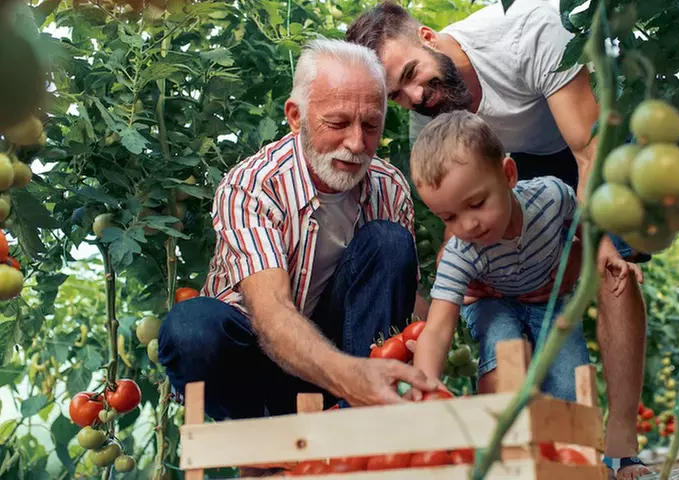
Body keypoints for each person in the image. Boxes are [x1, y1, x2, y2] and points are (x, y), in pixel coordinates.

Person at [346, 3, 650, 479]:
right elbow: (454, 218)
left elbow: (588, 155)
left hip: (586, 136)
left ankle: (622, 442)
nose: (415, 96)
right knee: (492, 283)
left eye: (411, 74)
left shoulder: (528, 33)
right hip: (505, 165)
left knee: (614, 270)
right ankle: (528, 454)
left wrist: (601, 245)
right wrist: (434, 319)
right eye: (397, 96)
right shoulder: (430, 116)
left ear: (427, 36)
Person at [157, 39, 439, 427]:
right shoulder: (253, 185)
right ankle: (259, 439)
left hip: (346, 365)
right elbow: (272, 315)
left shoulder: (388, 187)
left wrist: (435, 338)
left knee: (389, 242)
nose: (357, 143)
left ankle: (361, 422)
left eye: (371, 125)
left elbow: (398, 303)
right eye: (338, 124)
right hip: (258, 365)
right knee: (190, 329)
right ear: (295, 116)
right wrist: (352, 375)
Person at [406, 110, 631, 404]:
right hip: (492, 304)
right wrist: (424, 384)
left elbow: (583, 221)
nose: (468, 225)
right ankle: (500, 426)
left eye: (477, 203)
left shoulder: (550, 197)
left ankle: (573, 432)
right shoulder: (460, 253)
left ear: (508, 175)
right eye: (449, 217)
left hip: (547, 299)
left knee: (569, 384)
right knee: (504, 354)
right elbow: (437, 329)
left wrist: (605, 250)